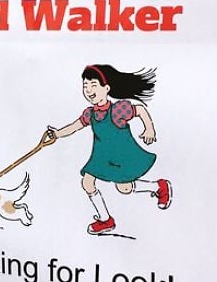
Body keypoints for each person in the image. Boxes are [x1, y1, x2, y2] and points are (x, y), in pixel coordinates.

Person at [47, 63, 172, 236]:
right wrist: (57, 134)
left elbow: (140, 110)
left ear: (106, 88)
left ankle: (159, 186)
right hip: (101, 157)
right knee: (87, 182)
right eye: (85, 86)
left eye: (93, 85)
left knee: (124, 188)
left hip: (121, 155)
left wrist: (149, 128)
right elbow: (74, 126)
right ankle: (106, 220)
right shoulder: (90, 114)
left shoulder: (118, 110)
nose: (88, 90)